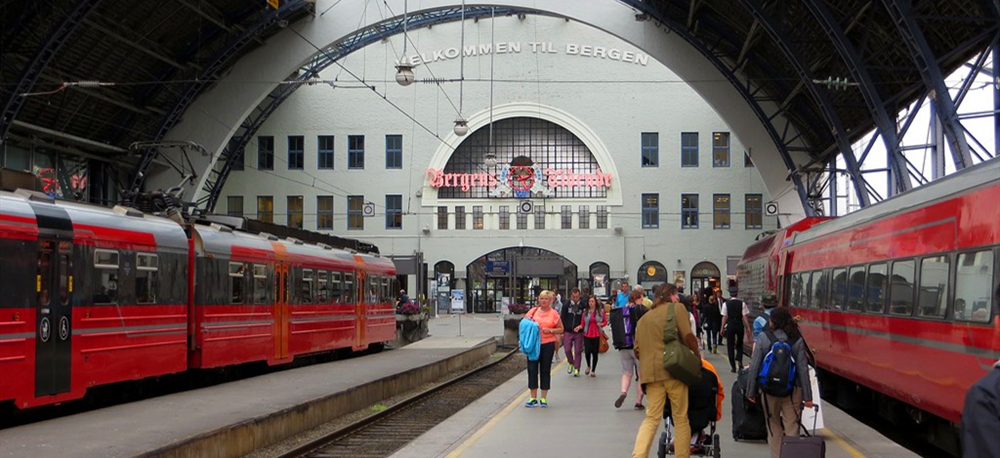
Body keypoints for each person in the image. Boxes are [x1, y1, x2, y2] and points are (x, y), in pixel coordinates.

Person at [631, 283, 701, 458]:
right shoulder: (676, 308)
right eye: (676, 295)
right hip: (674, 371)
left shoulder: (643, 320)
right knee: (680, 418)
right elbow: (687, 335)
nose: (678, 298)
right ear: (670, 295)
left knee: (652, 418)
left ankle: (638, 455)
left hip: (652, 375)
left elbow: (637, 350)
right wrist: (697, 357)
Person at [746, 307, 814, 458]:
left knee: (773, 425)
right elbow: (803, 369)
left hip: (769, 390)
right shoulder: (796, 339)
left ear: (773, 321)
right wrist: (808, 397)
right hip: (793, 390)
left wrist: (750, 391)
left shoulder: (764, 337)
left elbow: (755, 365)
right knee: (792, 426)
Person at [523, 290, 564, 408]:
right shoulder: (532, 311)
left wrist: (550, 330)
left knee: (545, 370)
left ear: (550, 300)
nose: (543, 301)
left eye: (546, 299)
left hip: (548, 344)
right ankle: (533, 397)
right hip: (533, 344)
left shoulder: (554, 314)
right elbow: (524, 324)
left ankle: (543, 398)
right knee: (532, 369)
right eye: (541, 298)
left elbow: (561, 329)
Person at [612, 289, 647, 410]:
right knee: (641, 374)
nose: (642, 300)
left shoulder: (621, 310)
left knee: (627, 373)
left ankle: (623, 392)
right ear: (638, 298)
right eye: (641, 297)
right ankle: (638, 401)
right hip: (637, 347)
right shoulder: (641, 309)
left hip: (623, 345)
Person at [721, 288, 751, 373]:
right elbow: (745, 316)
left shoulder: (725, 304)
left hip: (730, 325)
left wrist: (722, 327)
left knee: (730, 345)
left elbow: (724, 317)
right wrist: (748, 327)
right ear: (737, 294)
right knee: (740, 344)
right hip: (739, 324)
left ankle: (733, 366)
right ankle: (739, 360)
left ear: (730, 294)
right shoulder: (742, 304)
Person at [561, 288, 586, 376]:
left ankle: (577, 367)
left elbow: (585, 317)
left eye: (577, 297)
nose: (575, 298)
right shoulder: (566, 305)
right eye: (573, 296)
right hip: (568, 330)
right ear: (571, 296)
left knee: (578, 350)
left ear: (579, 296)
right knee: (567, 349)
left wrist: (582, 328)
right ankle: (571, 362)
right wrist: (562, 330)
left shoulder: (583, 305)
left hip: (579, 332)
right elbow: (562, 317)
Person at [581, 295, 607, 377]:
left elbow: (605, 321)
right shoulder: (585, 312)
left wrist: (601, 324)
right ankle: (588, 365)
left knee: (595, 352)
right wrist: (579, 327)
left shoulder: (600, 312)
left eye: (592, 301)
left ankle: (593, 370)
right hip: (587, 333)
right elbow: (582, 323)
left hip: (596, 333)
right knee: (587, 351)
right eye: (590, 301)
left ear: (595, 302)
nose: (591, 303)